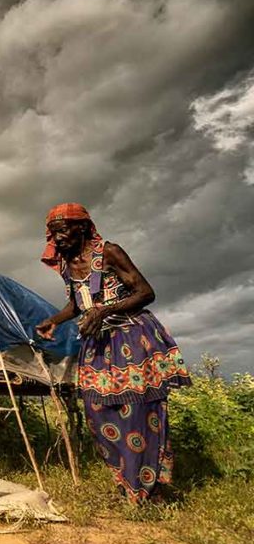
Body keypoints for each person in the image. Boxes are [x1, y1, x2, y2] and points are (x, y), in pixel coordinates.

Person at [35, 203, 191, 503]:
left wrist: (104, 311)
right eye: (54, 234)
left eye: (63, 231)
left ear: (81, 228)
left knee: (138, 411)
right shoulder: (67, 264)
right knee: (97, 410)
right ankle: (126, 480)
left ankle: (148, 488)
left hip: (131, 337)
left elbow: (145, 292)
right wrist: (53, 321)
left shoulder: (109, 252)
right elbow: (79, 303)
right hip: (97, 342)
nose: (58, 239)